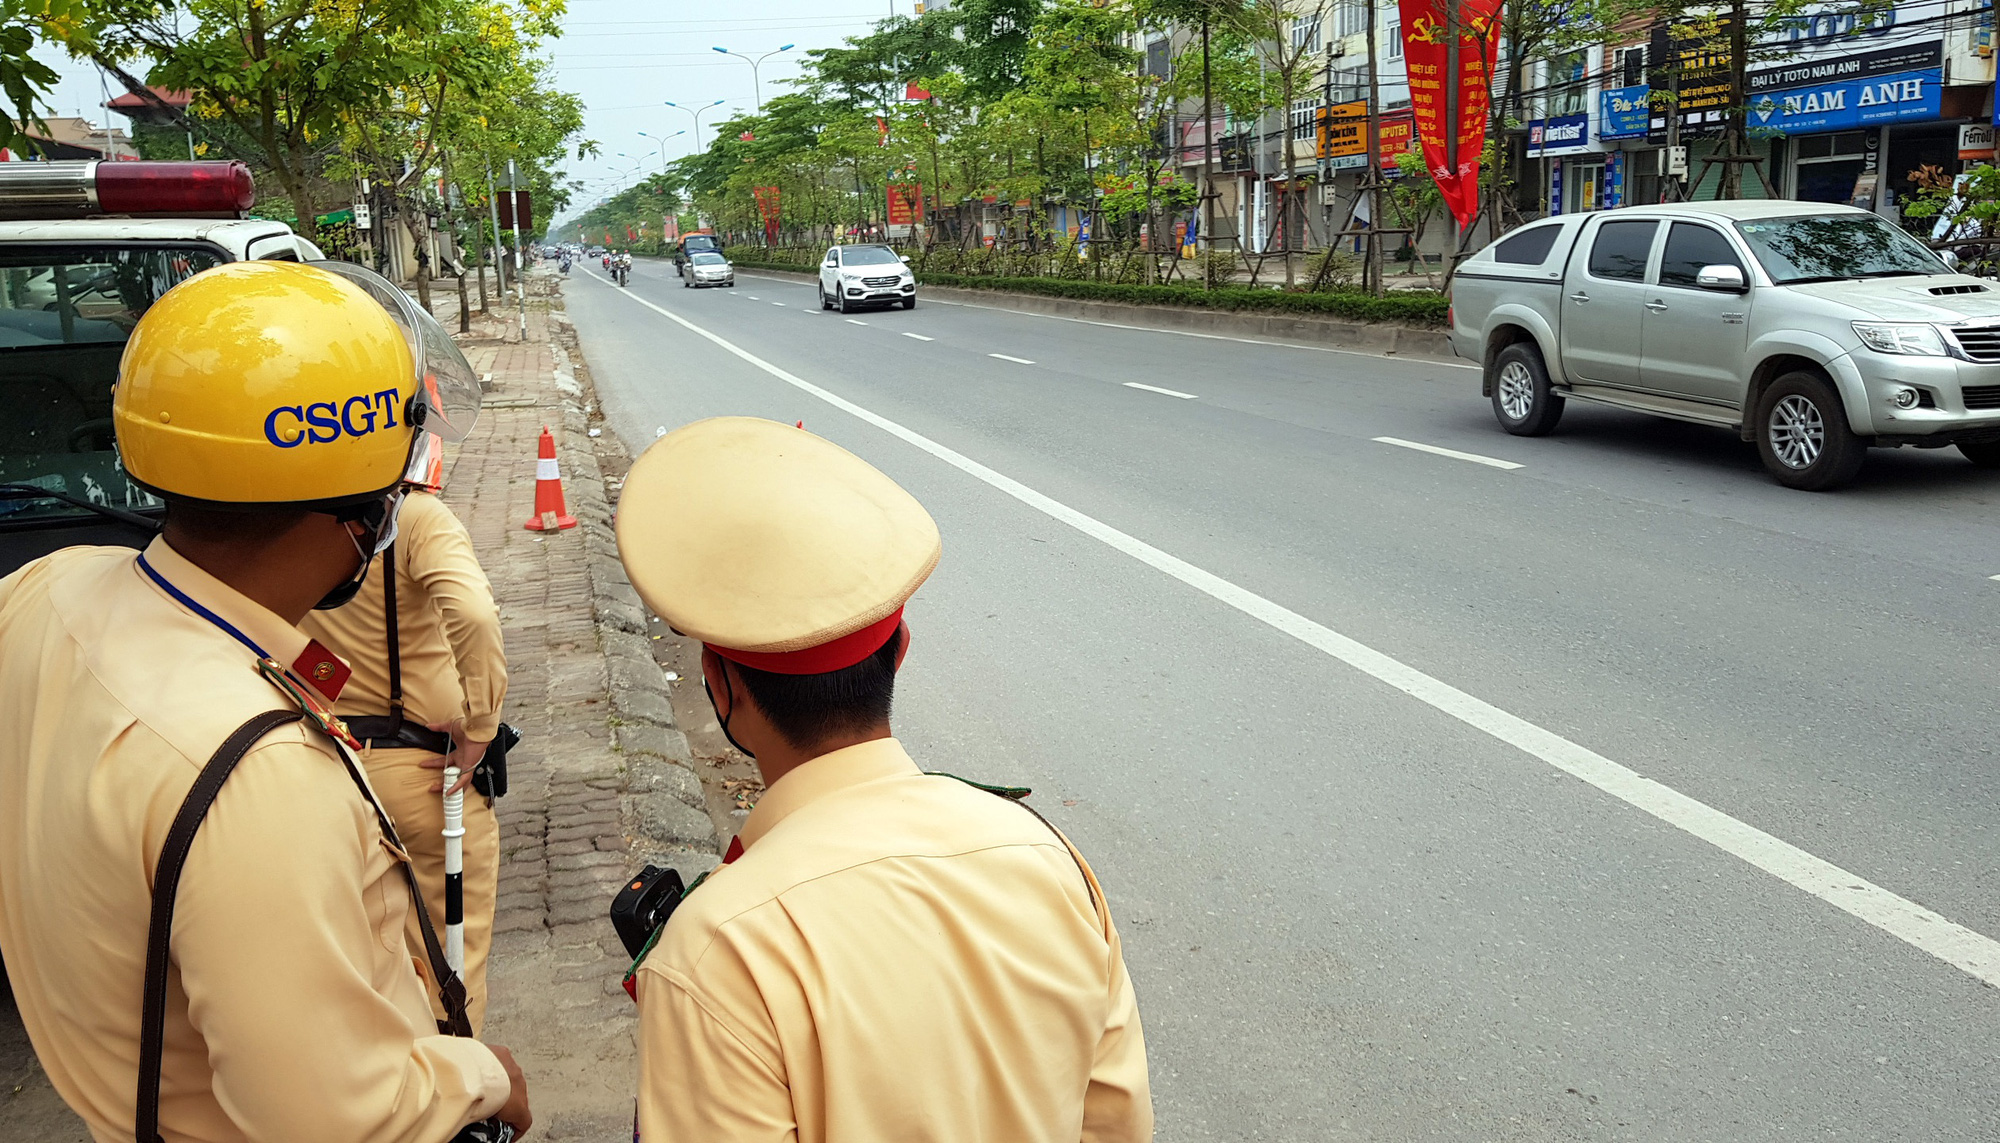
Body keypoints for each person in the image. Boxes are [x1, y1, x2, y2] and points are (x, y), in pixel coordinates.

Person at [0, 260, 532, 1143]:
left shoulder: (44, 594)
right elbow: (339, 1122)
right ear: (364, 511)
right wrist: (485, 1076)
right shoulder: (260, 773)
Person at [615, 417, 1152, 1142]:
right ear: (898, 649)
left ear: (718, 685)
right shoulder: (1050, 862)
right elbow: (1118, 1124)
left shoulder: (716, 955)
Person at [300, 432, 509, 1032]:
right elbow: (472, 614)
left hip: (328, 768)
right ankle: (454, 1104)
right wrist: (480, 726)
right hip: (423, 780)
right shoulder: (413, 516)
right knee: (450, 977)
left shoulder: (294, 526)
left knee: (365, 972)